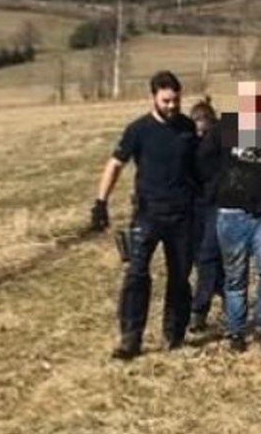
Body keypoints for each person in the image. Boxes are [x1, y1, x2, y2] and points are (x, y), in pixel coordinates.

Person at [91, 70, 198, 360]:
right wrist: (101, 202)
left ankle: (173, 334)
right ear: (153, 97)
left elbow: (202, 170)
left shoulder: (189, 128)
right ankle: (130, 338)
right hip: (148, 215)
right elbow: (115, 165)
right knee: (136, 275)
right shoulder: (138, 130)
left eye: (176, 100)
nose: (172, 106)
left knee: (179, 277)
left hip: (183, 216)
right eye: (166, 101)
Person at [198, 81, 261, 353]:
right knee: (236, 277)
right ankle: (235, 332)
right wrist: (217, 189)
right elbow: (203, 161)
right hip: (231, 213)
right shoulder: (225, 129)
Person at [188, 97, 224, 334]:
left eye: (205, 129)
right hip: (192, 205)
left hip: (218, 204)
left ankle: (198, 310)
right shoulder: (186, 141)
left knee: (208, 255)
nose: (201, 134)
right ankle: (231, 298)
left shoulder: (223, 138)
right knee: (201, 260)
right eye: (197, 129)